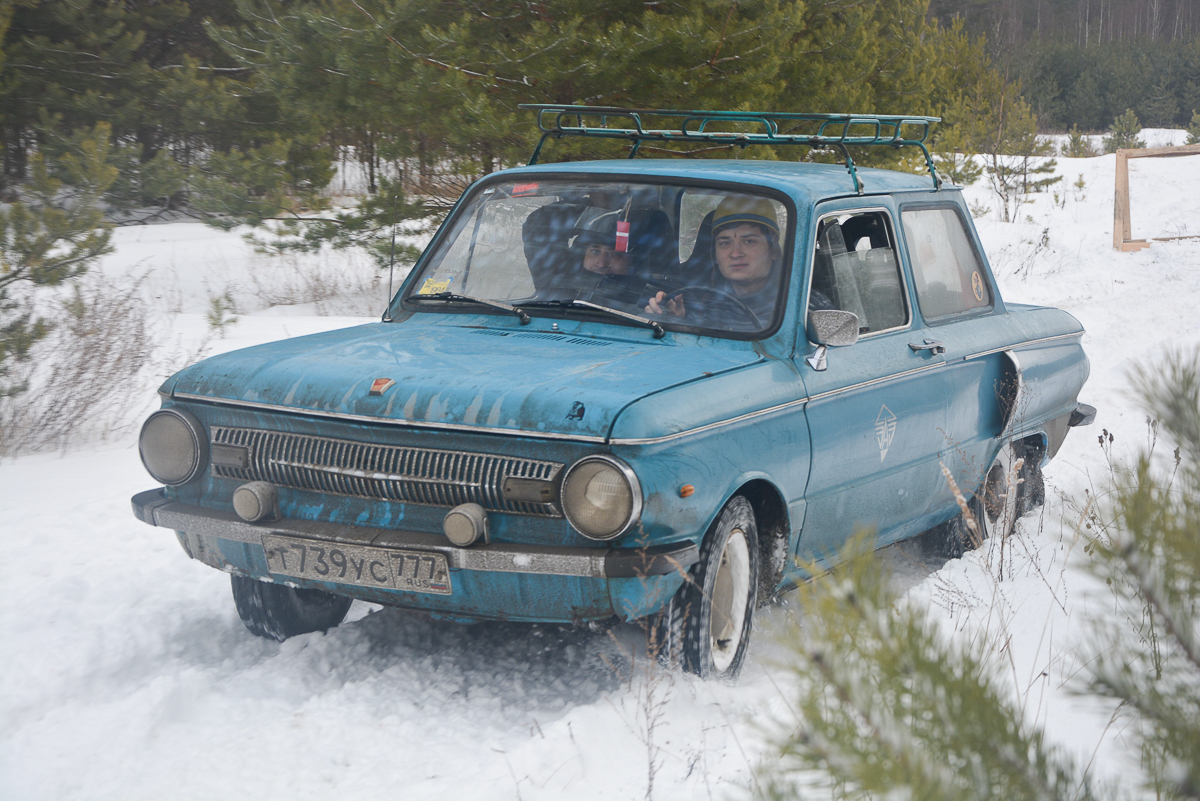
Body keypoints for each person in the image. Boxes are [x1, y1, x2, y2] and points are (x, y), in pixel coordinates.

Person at [645, 195, 783, 328]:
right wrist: (676, 320)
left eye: (749, 241)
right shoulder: (701, 301)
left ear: (774, 250)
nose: (735, 254)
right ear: (715, 255)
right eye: (725, 243)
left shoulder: (794, 306)